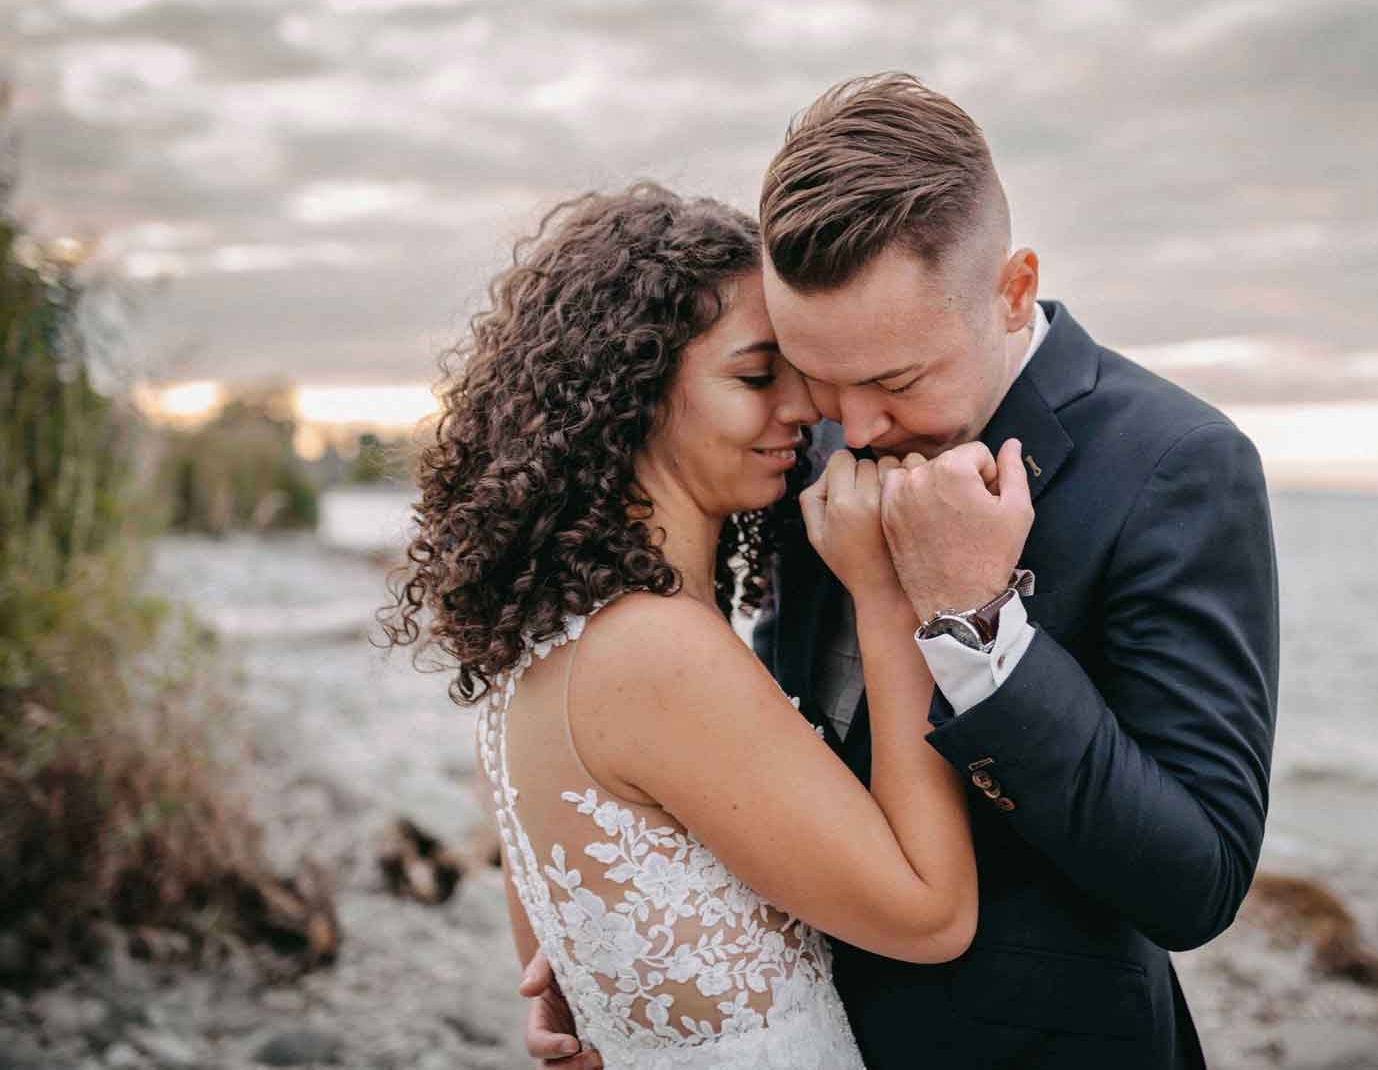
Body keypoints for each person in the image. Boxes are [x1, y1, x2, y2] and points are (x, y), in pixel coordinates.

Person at [524, 75, 1280, 1068]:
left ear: (1011, 291)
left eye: (894, 381)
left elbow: (1196, 885)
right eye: (818, 374)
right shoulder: (809, 436)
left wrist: (977, 622)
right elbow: (772, 728)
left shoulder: (1174, 466)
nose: (851, 427)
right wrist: (637, 938)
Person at [380, 183, 996, 1069]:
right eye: (756, 376)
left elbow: (564, 967)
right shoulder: (656, 648)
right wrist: (889, 597)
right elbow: (932, 915)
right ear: (629, 397)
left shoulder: (543, 642)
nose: (805, 408)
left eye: (796, 371)